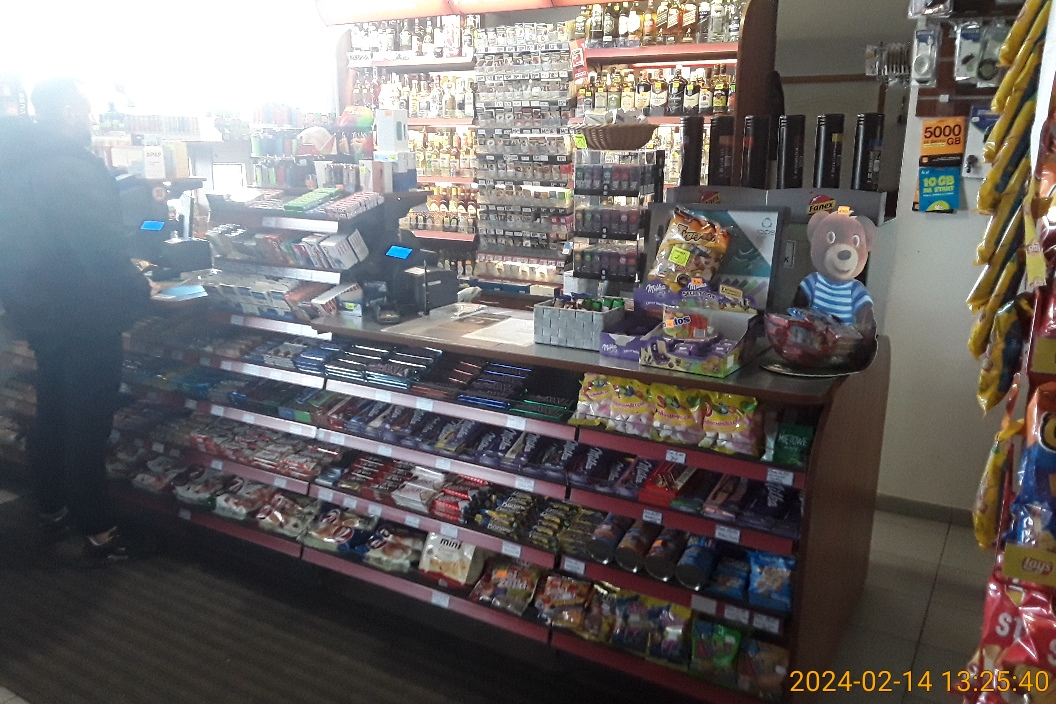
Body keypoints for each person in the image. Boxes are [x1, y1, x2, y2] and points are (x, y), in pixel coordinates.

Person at [0, 77, 152, 563]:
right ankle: (98, 530)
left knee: (53, 410)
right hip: (85, 315)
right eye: (85, 110)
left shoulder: (14, 162)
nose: (89, 118)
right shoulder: (68, 168)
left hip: (38, 311)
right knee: (87, 424)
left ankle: (51, 508)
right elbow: (101, 249)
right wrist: (137, 293)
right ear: (68, 112)